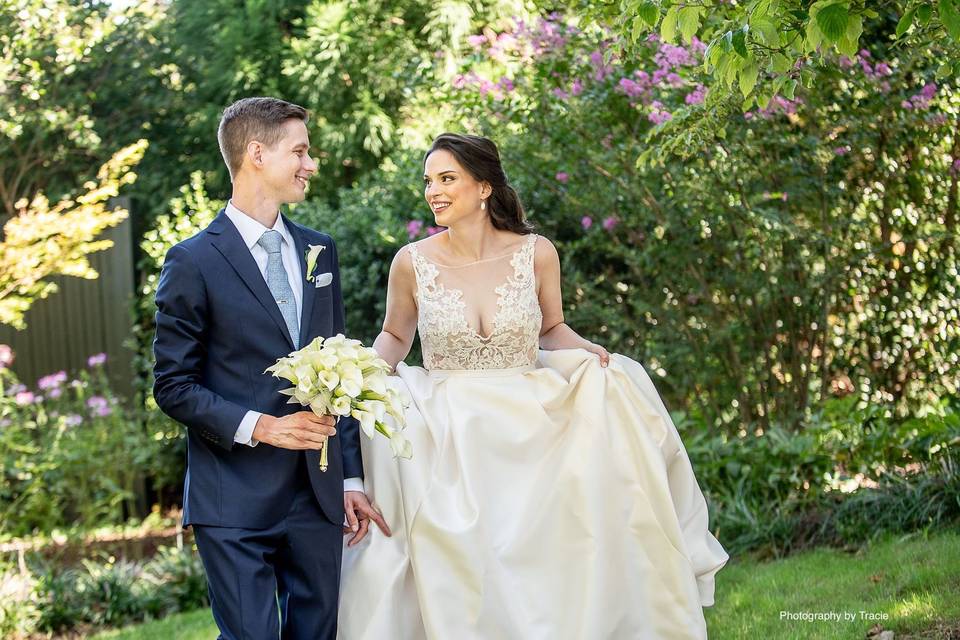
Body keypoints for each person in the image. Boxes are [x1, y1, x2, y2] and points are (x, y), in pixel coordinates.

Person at [337, 133, 728, 639]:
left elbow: (552, 328)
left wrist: (590, 352)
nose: (433, 191)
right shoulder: (411, 262)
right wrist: (362, 373)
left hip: (530, 416)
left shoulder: (536, 252)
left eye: (447, 179)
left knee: (557, 535)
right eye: (429, 181)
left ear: (483, 187)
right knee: (462, 543)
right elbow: (395, 335)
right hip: (449, 421)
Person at [153, 96, 389, 640]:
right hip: (231, 496)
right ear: (257, 153)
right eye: (300, 151)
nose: (311, 164)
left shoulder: (319, 251)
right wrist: (264, 428)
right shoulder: (193, 260)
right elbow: (172, 385)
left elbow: (340, 376)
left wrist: (350, 477)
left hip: (316, 494)